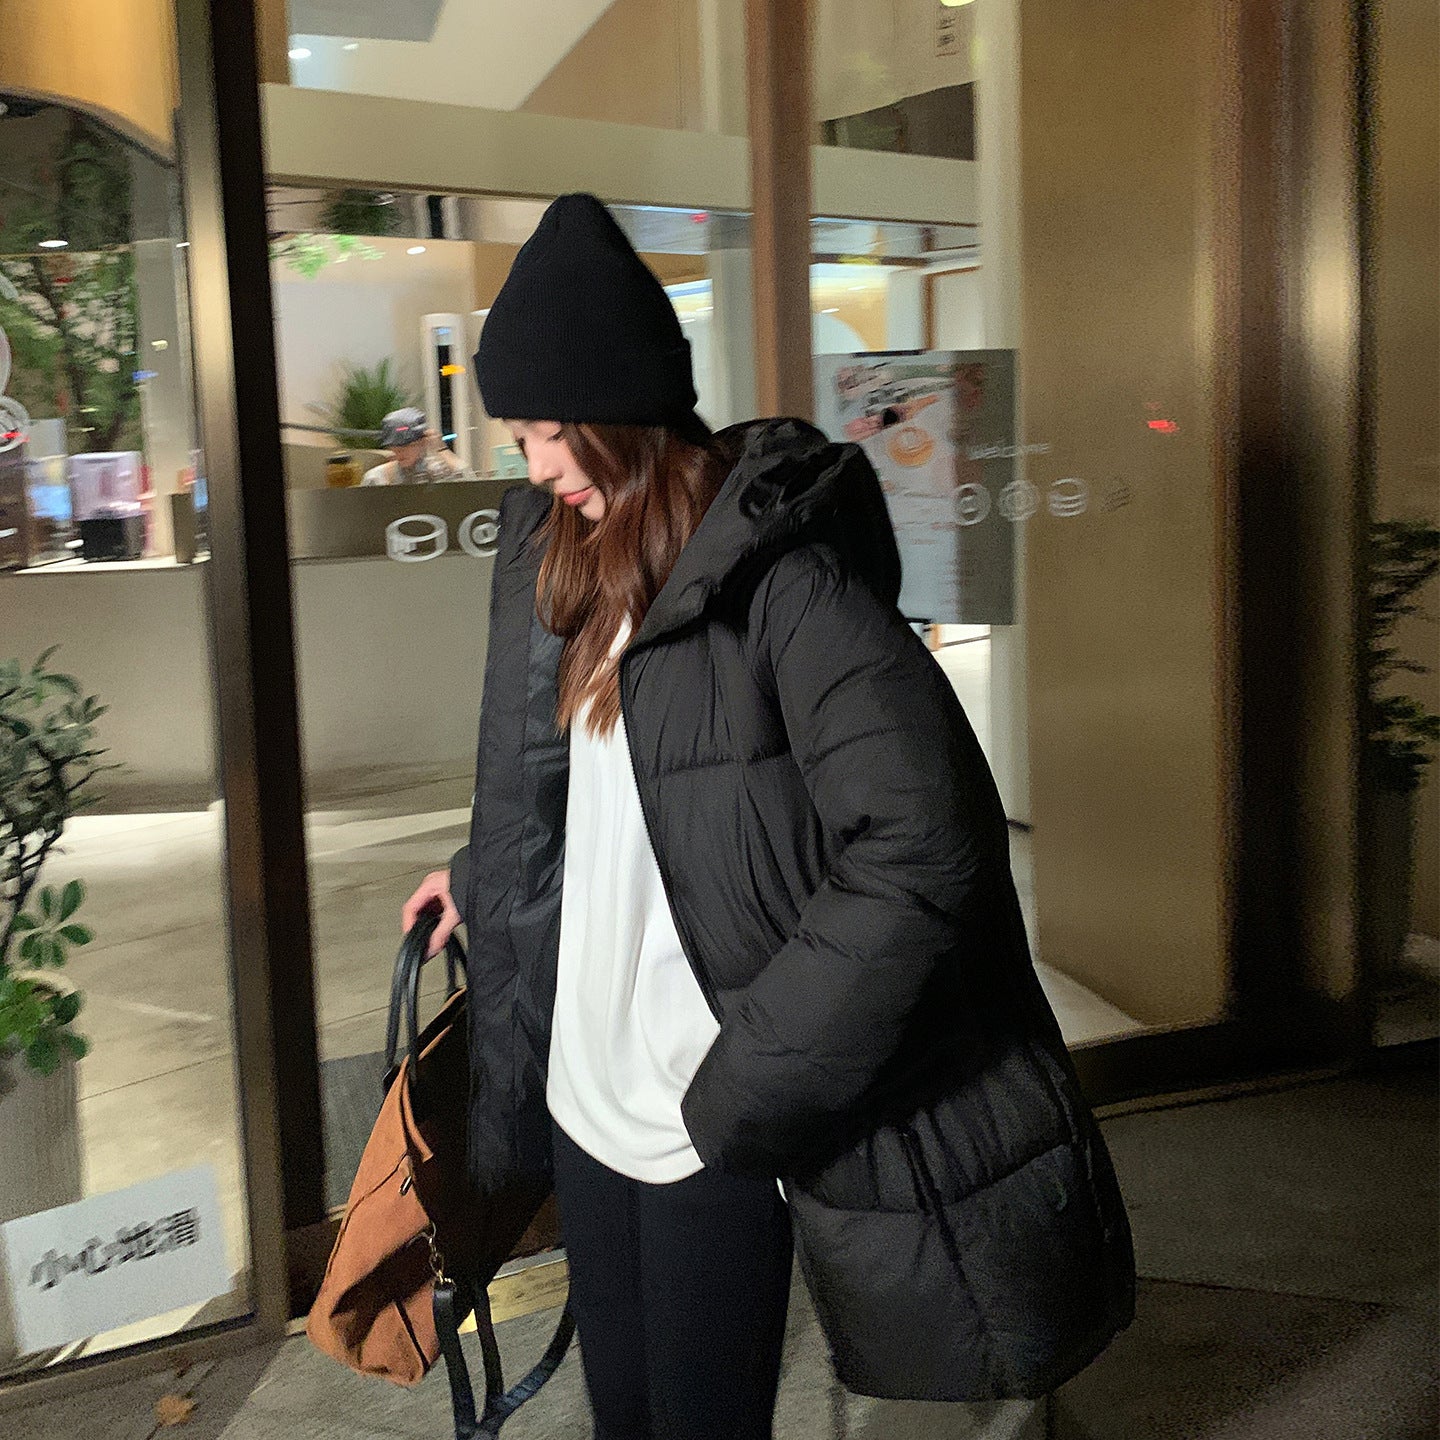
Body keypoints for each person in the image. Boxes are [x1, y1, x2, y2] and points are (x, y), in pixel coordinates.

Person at [402, 193, 1134, 1438]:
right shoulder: (572, 563)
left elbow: (925, 846)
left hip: (702, 1117)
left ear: (623, 409)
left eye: (547, 434)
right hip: (587, 1093)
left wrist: (753, 1080)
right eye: (518, 437)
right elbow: (600, 796)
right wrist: (481, 875)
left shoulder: (785, 580)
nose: (533, 466)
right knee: (625, 1419)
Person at [360, 406, 464, 485]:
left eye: (407, 446)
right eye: (395, 447)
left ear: (422, 442)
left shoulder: (438, 472)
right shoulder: (376, 478)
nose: (400, 452)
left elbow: (467, 481)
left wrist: (442, 449)